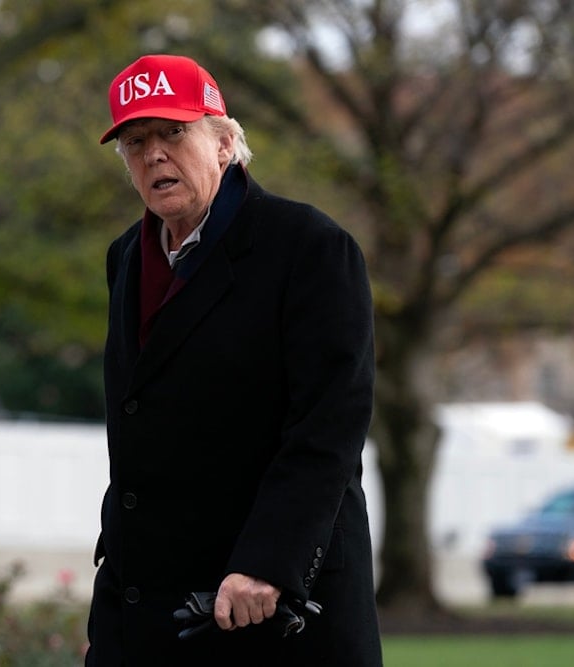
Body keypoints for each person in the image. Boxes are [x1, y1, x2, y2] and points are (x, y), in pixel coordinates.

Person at [86, 54, 383, 666]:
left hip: (272, 607)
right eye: (135, 142)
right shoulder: (126, 257)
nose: (154, 154)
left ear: (225, 143)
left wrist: (268, 562)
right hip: (147, 603)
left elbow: (328, 427)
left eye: (174, 132)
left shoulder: (310, 247)